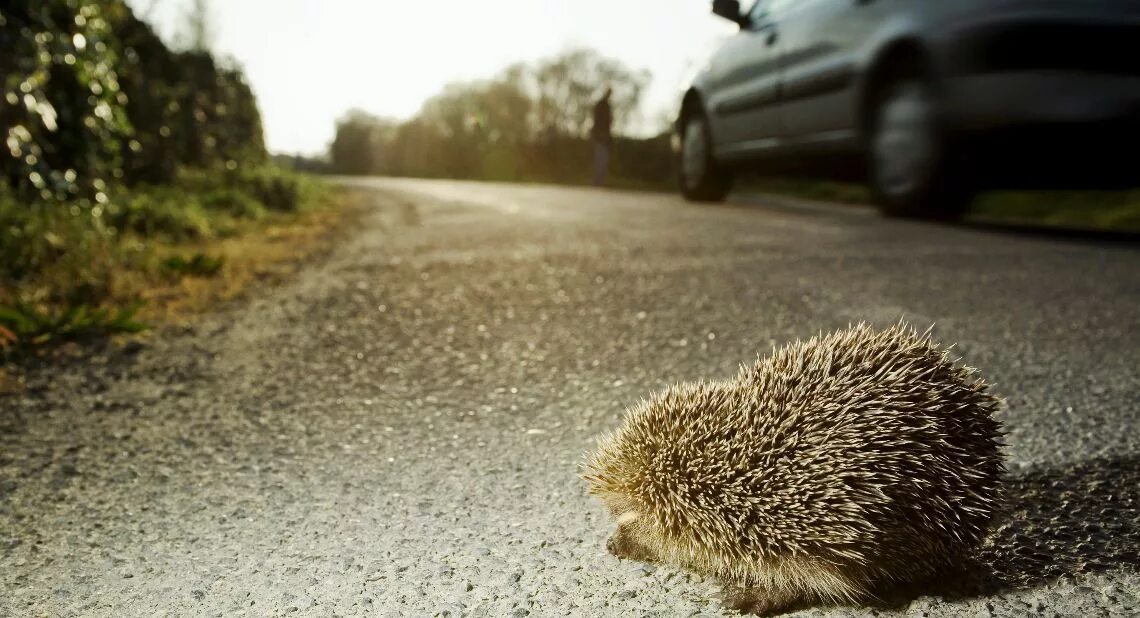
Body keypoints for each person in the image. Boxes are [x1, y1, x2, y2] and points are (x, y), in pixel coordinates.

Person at [591, 88, 613, 187]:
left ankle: (600, 180)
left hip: (604, 136)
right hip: (600, 135)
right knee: (600, 158)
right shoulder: (601, 105)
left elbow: (608, 122)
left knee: (603, 159)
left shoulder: (606, 105)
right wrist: (599, 134)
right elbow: (598, 120)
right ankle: (597, 181)